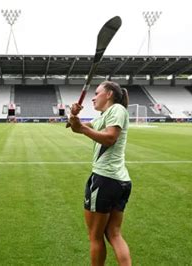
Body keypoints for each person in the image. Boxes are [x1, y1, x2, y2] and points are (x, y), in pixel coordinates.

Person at [68, 81, 132, 266]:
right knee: (113, 233)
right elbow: (75, 127)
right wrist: (74, 115)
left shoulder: (117, 109)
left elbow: (111, 137)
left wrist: (81, 128)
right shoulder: (105, 116)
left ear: (109, 94)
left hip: (105, 179)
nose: (93, 97)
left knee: (95, 237)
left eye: (97, 93)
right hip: (118, 180)